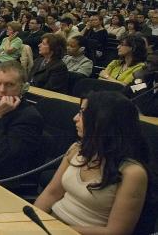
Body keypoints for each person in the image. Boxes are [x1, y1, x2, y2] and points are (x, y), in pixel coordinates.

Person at [35, 92, 151, 233]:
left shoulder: (133, 173)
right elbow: (51, 193)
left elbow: (116, 232)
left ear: (103, 121)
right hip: (51, 225)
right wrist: (32, 221)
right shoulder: (77, 148)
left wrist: (59, 230)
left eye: (82, 113)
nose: (75, 118)